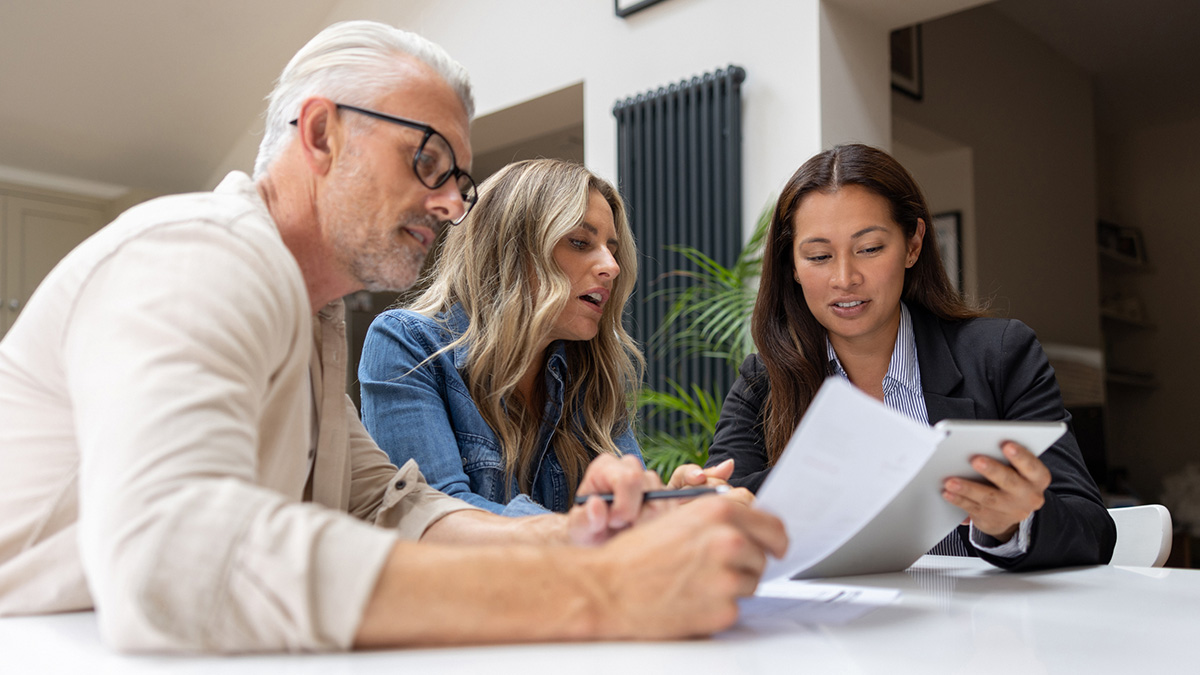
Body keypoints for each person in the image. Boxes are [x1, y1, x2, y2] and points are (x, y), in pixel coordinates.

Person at [0, 20, 786, 653]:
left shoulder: (313, 320)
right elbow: (175, 557)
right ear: (321, 134)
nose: (450, 206)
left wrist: (578, 533)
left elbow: (391, 504)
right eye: (429, 161)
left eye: (459, 180)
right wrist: (608, 589)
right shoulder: (196, 254)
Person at [705, 143, 1113, 571]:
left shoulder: (1000, 355)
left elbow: (1093, 530)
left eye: (870, 249)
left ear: (913, 244)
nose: (845, 279)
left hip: (978, 629)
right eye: (819, 257)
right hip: (832, 627)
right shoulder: (763, 380)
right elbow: (721, 510)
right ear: (792, 265)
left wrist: (1014, 523)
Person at [360, 158, 683, 515]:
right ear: (509, 251)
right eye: (579, 242)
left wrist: (668, 507)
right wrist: (578, 529)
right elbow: (435, 517)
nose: (612, 266)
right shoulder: (407, 343)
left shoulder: (592, 369)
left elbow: (623, 517)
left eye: (612, 248)